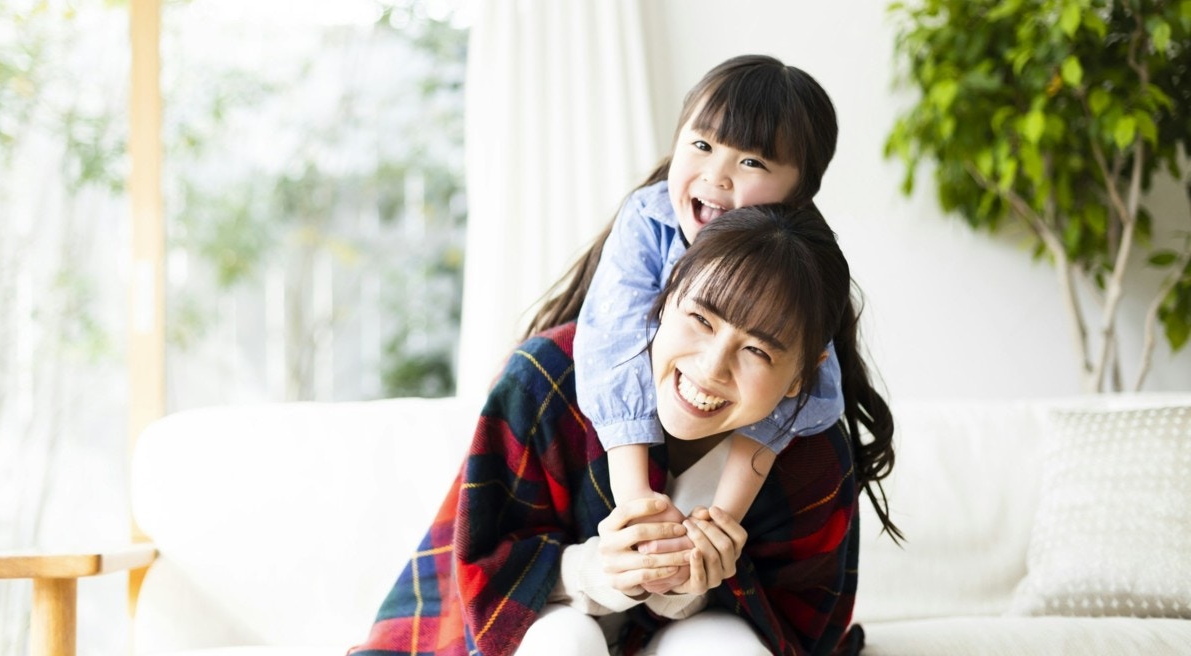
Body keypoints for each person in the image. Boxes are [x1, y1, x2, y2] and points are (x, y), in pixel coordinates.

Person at [348, 204, 899, 656]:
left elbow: (803, 625)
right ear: (667, 292)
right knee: (565, 643)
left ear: (803, 374)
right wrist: (596, 571)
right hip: (550, 622)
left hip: (699, 635)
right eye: (700, 320)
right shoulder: (549, 377)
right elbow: (481, 563)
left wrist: (697, 590)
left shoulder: (813, 451)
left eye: (757, 350)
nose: (711, 368)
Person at [532, 56, 845, 591]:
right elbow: (615, 343)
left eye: (752, 162)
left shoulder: (800, 273)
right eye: (701, 144)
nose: (716, 175)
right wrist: (639, 512)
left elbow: (803, 396)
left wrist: (722, 519)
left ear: (799, 195)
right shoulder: (649, 219)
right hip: (613, 470)